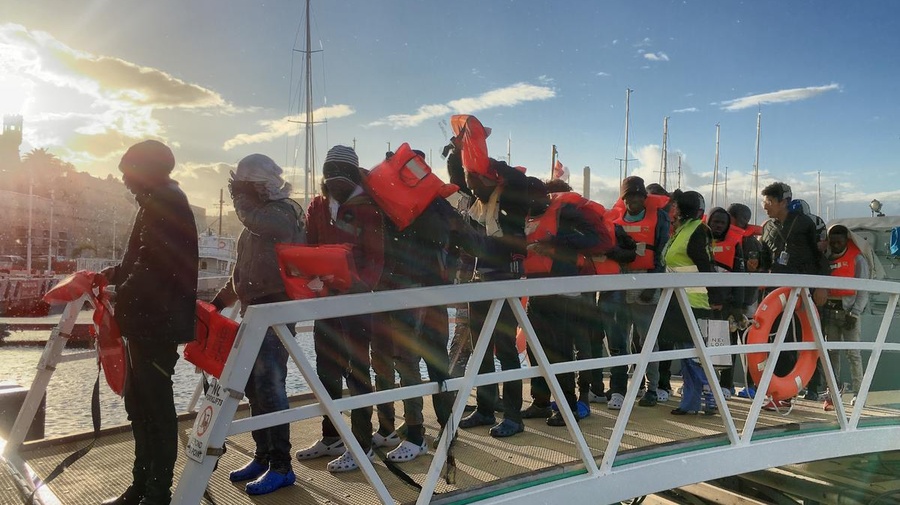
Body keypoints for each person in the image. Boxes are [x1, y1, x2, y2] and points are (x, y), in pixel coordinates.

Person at [100, 140, 198, 505]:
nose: (124, 179)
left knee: (154, 406)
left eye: (128, 171)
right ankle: (142, 485)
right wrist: (111, 274)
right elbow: (144, 257)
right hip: (147, 320)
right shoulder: (158, 199)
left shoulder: (164, 201)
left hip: (155, 322)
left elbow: (155, 264)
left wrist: (119, 292)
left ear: (146, 170)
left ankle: (157, 490)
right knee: (139, 404)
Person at [210, 154, 304, 495]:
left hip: (276, 311)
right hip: (254, 311)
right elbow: (243, 271)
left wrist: (242, 201)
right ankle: (263, 455)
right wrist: (219, 302)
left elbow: (265, 225)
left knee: (270, 386)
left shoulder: (282, 213)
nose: (238, 194)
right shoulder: (255, 222)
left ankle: (282, 465)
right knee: (252, 386)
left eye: (242, 186)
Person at [295, 145, 383, 472]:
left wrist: (360, 285)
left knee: (358, 371)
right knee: (326, 369)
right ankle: (331, 434)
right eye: (331, 174)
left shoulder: (368, 209)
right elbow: (309, 245)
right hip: (326, 299)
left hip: (357, 301)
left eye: (342, 175)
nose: (336, 181)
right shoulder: (317, 206)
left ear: (353, 174)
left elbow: (376, 258)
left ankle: (362, 443)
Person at [369, 149, 456, 462]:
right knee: (389, 357)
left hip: (425, 290)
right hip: (397, 288)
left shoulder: (433, 204)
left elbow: (453, 236)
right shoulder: (390, 201)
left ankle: (431, 431)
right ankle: (396, 428)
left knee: (424, 360)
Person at [519, 177, 609, 426]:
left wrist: (555, 243)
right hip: (536, 291)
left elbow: (598, 240)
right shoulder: (524, 216)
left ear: (541, 197)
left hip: (563, 292)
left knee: (560, 352)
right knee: (535, 350)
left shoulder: (564, 214)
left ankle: (566, 406)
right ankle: (540, 402)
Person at [453, 151, 530, 438]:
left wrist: (488, 162)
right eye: (469, 181)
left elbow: (519, 179)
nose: (472, 187)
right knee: (479, 349)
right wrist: (461, 151)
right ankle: (485, 408)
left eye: (476, 180)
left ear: (491, 179)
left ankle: (513, 416)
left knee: (506, 349)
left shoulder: (511, 198)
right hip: (479, 282)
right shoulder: (476, 207)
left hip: (505, 281)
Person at [759, 182, 830, 409]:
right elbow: (765, 258)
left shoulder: (805, 223)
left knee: (799, 340)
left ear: (784, 202)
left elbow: (820, 257)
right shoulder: (768, 227)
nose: (765, 206)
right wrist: (757, 265)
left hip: (802, 291)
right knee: (775, 339)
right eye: (764, 201)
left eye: (769, 201)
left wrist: (821, 286)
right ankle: (777, 393)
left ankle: (798, 392)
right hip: (776, 291)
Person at [607, 176, 670, 409]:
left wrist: (653, 284)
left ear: (645, 197)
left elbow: (663, 251)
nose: (634, 200)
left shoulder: (660, 218)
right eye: (629, 196)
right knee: (618, 339)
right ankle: (618, 390)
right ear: (623, 199)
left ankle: (651, 388)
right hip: (619, 282)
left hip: (646, 280)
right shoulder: (615, 219)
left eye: (638, 196)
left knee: (647, 339)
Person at [661, 190, 726, 416]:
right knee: (686, 353)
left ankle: (711, 392)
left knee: (691, 354)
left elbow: (706, 265)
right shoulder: (681, 230)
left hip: (694, 301)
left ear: (680, 209)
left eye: (674, 206)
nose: (671, 210)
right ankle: (691, 403)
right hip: (677, 300)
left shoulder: (698, 230)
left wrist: (716, 297)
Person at [821, 224, 868, 411]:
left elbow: (863, 289)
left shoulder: (857, 259)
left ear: (846, 240)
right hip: (829, 311)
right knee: (832, 354)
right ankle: (832, 393)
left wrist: (854, 313)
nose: (836, 244)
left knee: (853, 354)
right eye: (833, 241)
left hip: (849, 312)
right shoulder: (826, 257)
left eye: (840, 241)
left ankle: (859, 393)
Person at [706, 207, 746, 399]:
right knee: (706, 344)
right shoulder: (701, 240)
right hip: (703, 301)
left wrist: (737, 305)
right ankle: (707, 382)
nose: (719, 225)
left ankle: (726, 385)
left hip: (727, 303)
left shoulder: (735, 244)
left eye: (722, 222)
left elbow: (740, 276)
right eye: (716, 221)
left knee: (727, 345)